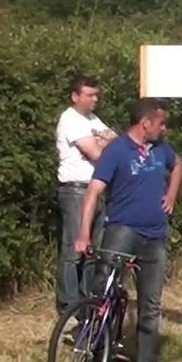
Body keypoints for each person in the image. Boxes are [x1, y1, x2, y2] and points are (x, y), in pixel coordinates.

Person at [73, 98, 182, 362]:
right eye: (161, 123)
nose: (165, 128)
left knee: (150, 301)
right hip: (123, 230)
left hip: (154, 234)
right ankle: (96, 360)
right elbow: (93, 193)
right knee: (104, 293)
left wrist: (171, 194)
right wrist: (84, 234)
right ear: (145, 123)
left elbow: (178, 164)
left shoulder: (161, 149)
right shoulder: (117, 151)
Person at [55, 75, 117, 315]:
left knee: (92, 251)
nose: (95, 99)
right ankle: (68, 306)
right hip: (76, 190)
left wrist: (104, 140)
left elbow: (116, 139)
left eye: (96, 95)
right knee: (73, 250)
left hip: (96, 189)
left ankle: (86, 302)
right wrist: (102, 143)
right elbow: (97, 153)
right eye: (90, 95)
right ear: (75, 96)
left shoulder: (91, 119)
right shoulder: (70, 120)